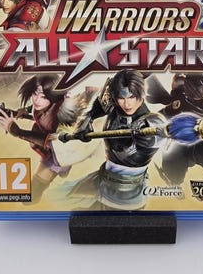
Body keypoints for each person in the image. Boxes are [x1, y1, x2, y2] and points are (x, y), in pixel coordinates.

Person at [60, 69, 167, 210]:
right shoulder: (114, 106)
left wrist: (146, 134)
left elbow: (157, 130)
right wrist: (86, 121)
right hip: (102, 178)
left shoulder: (151, 122)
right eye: (122, 98)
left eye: (132, 97)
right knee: (62, 198)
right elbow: (99, 105)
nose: (127, 104)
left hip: (128, 192)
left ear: (141, 94)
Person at [0, 75, 94, 202]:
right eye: (35, 94)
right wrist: (23, 111)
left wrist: (18, 131)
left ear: (53, 96)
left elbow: (55, 141)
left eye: (43, 97)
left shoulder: (63, 113)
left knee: (33, 192)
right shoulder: (43, 106)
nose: (36, 100)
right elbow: (37, 110)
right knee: (32, 192)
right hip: (49, 148)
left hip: (61, 153)